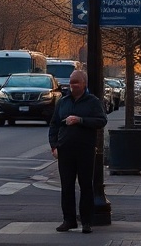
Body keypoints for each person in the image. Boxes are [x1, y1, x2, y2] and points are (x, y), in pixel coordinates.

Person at [48, 70, 108, 234]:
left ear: (84, 84)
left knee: (86, 185)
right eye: (71, 82)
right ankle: (69, 220)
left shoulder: (92, 102)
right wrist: (54, 145)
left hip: (85, 149)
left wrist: (80, 120)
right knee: (66, 186)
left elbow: (101, 120)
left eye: (76, 82)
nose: (72, 85)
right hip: (65, 149)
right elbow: (54, 124)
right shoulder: (63, 101)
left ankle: (87, 221)